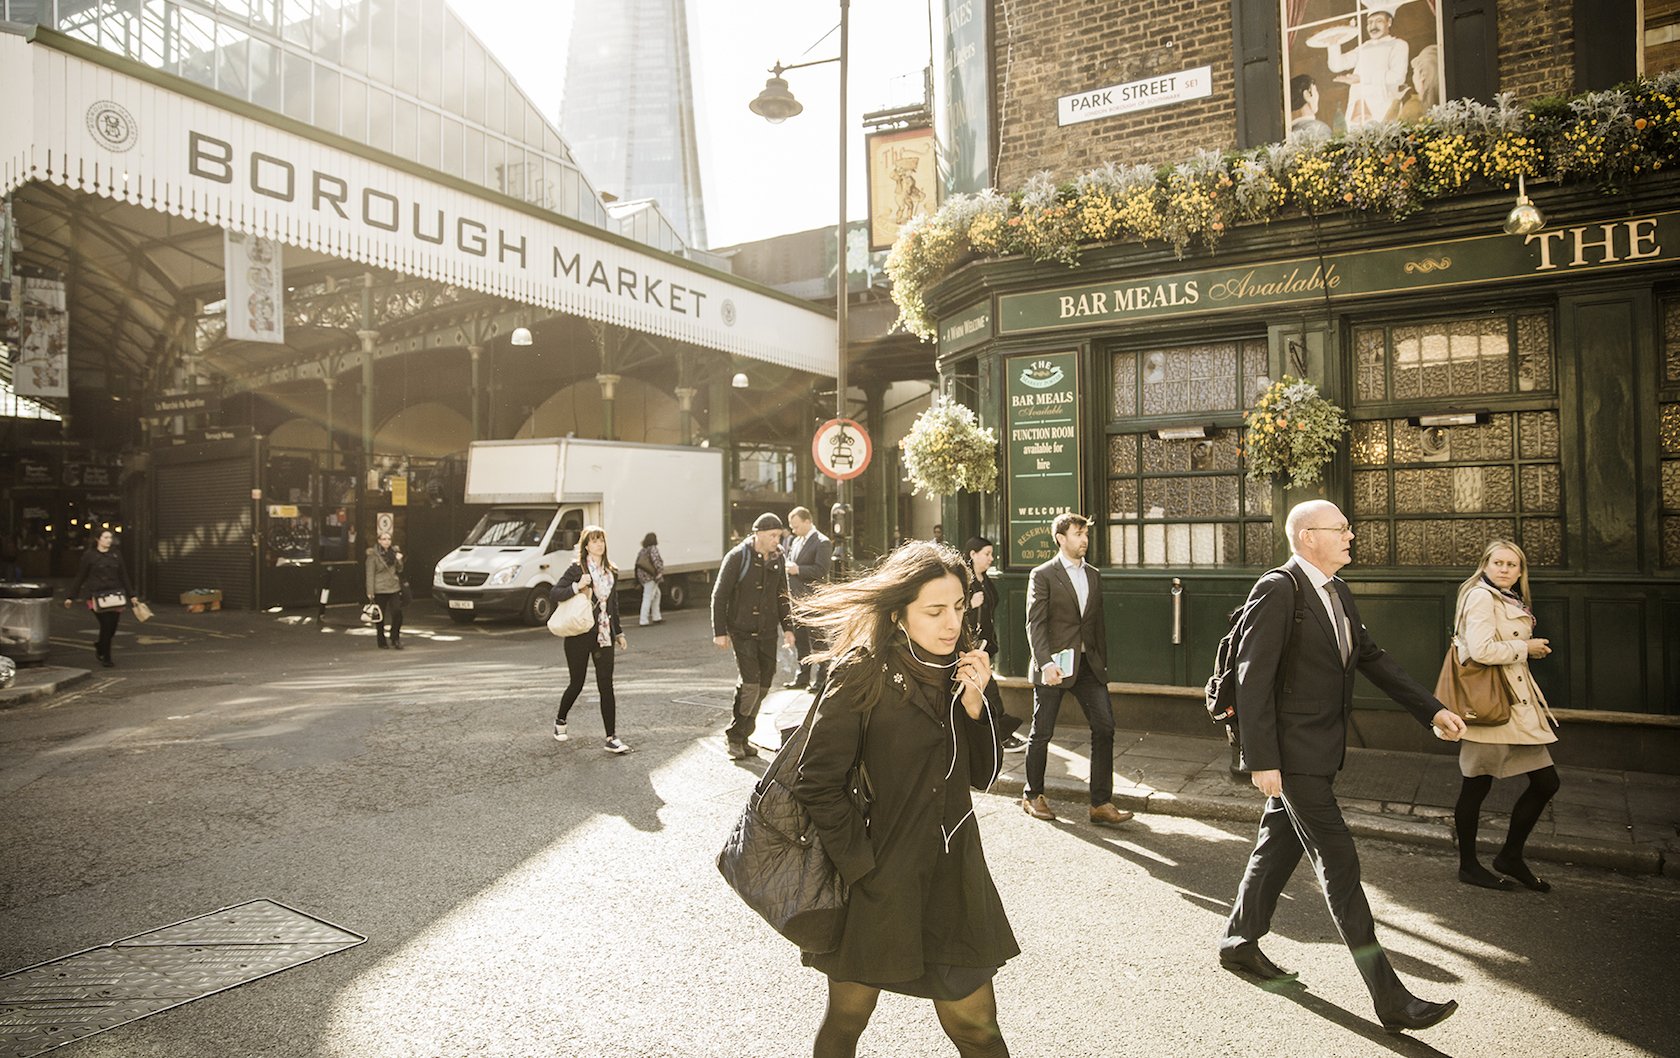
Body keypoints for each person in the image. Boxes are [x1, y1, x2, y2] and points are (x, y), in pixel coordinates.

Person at [1220, 500, 1467, 1034]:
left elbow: (1373, 658)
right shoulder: (1278, 589)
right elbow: (1252, 679)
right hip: (1292, 759)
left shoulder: (1336, 590)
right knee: (1340, 865)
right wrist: (1261, 760)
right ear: (1308, 537)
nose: (1351, 535)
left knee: (1277, 844)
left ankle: (1238, 943)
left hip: (1320, 752)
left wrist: (1433, 710)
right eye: (1342, 529)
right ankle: (1390, 997)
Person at [792, 541, 1016, 1058]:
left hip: (954, 874)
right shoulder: (862, 673)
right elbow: (816, 780)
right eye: (934, 611)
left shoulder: (967, 670)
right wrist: (861, 868)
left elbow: (984, 773)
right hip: (878, 878)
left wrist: (978, 704)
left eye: (959, 608)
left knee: (979, 1031)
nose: (951, 624)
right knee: (847, 1021)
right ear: (898, 614)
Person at [1451, 540, 1560, 892]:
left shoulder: (1507, 597)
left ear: (1520, 571)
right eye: (1497, 563)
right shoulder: (1481, 596)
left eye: (1512, 565)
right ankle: (1469, 865)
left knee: (1546, 783)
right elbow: (1480, 650)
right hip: (1493, 706)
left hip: (1515, 706)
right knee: (1476, 784)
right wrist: (1525, 648)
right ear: (1485, 565)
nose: (1504, 569)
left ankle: (1510, 856)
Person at [1021, 512, 1131, 826]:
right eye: (1077, 534)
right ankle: (1032, 795)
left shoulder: (1093, 574)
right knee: (1042, 732)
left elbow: (1096, 625)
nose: (1083, 540)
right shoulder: (1043, 574)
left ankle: (1100, 803)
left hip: (1087, 667)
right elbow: (1036, 624)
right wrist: (1045, 663)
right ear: (1060, 538)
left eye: (1085, 534)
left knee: (1105, 727)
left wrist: (1101, 664)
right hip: (1054, 667)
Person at [712, 512, 796, 759]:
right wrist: (720, 632)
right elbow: (720, 595)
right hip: (742, 631)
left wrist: (789, 628)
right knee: (750, 684)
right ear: (757, 534)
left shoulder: (779, 557)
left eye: (778, 535)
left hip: (768, 631)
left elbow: (783, 595)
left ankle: (745, 733)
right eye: (772, 535)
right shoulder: (737, 556)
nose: (776, 540)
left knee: (764, 684)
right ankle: (735, 737)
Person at [550, 526, 631, 754]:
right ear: (586, 545)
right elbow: (555, 593)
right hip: (579, 634)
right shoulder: (577, 569)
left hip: (603, 635)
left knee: (606, 685)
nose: (599, 545)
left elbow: (613, 606)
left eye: (602, 540)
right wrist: (577, 586)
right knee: (577, 682)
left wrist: (619, 633)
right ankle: (560, 721)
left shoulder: (611, 571)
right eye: (594, 541)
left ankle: (611, 737)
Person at [964, 536, 1023, 753]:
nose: (991, 558)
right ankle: (1002, 735)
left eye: (991, 554)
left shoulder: (985, 580)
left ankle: (996, 734)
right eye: (987, 554)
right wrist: (970, 605)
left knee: (986, 689)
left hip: (986, 644)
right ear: (973, 554)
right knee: (989, 689)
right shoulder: (964, 581)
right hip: (972, 646)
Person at [1326, 8, 1409, 130]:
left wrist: (1361, 79)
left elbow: (1397, 77)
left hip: (1383, 106)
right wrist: (1333, 44)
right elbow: (1337, 65)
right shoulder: (1364, 47)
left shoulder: (1398, 45)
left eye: (1378, 21)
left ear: (1389, 22)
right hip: (1358, 108)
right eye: (1370, 22)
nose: (1373, 26)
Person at [64, 528, 132, 668]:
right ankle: (106, 657)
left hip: (115, 594)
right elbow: (81, 576)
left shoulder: (116, 554)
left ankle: (100, 645)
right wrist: (71, 596)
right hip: (96, 595)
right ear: (98, 539)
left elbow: (124, 575)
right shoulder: (89, 555)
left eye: (110, 537)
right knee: (106, 624)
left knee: (112, 626)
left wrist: (132, 595)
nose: (109, 540)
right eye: (106, 537)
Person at [783, 506, 834, 692]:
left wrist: (798, 570)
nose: (793, 530)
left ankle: (821, 680)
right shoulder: (796, 541)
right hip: (796, 601)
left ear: (807, 521)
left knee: (818, 642)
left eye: (796, 526)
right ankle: (802, 678)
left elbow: (822, 570)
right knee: (802, 642)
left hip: (813, 601)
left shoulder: (822, 542)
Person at [365, 531, 406, 649]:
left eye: (388, 539)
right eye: (383, 539)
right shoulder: (373, 555)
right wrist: (370, 591)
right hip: (380, 589)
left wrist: (399, 560)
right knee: (380, 616)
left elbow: (400, 569)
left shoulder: (394, 552)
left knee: (397, 612)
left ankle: (395, 638)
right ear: (379, 541)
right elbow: (370, 574)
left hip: (393, 587)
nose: (386, 541)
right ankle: (381, 640)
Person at [634, 532, 665, 627]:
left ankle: (657, 616)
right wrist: (660, 571)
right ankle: (643, 620)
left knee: (656, 594)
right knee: (648, 597)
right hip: (650, 576)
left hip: (642, 576)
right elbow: (657, 561)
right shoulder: (653, 549)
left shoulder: (643, 550)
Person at [1288, 74, 1332, 139]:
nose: (1317, 96)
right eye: (1315, 91)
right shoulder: (1320, 129)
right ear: (1307, 95)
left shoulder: (1289, 131)